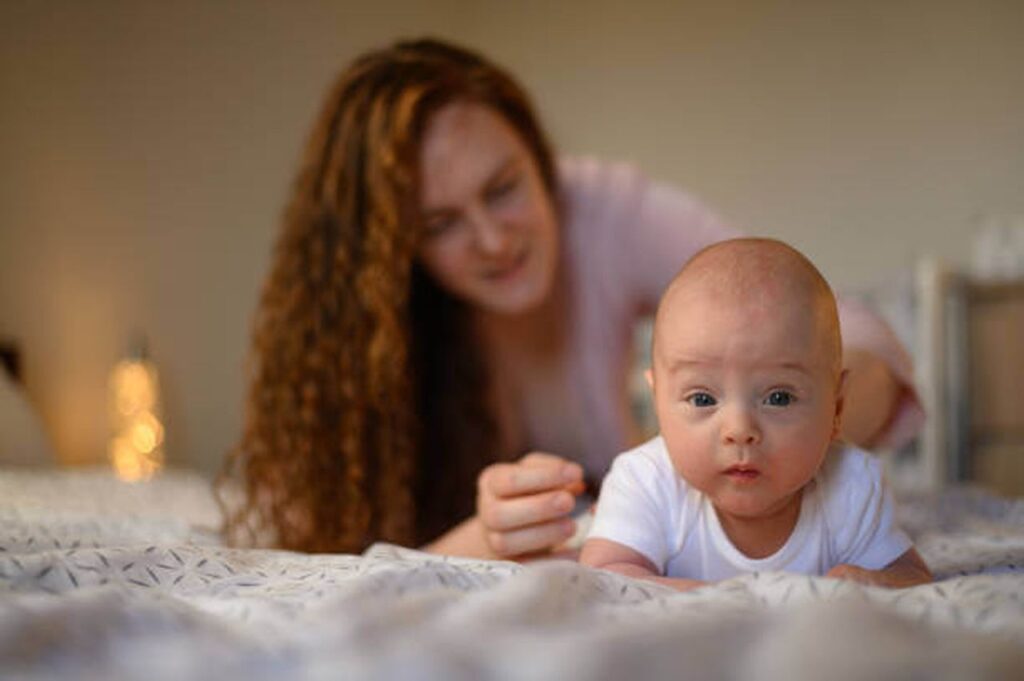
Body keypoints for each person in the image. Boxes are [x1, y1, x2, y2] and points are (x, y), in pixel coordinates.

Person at [218, 38, 924, 559]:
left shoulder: (605, 211)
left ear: (541, 158)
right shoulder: (367, 325)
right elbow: (324, 565)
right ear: (393, 251)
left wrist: (793, 425)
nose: (494, 240)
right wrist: (488, 536)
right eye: (439, 225)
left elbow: (852, 336)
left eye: (504, 189)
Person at [580, 239, 932, 589]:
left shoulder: (851, 485)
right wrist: (715, 600)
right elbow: (605, 581)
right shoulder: (645, 481)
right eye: (702, 399)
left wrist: (870, 582)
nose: (739, 430)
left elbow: (914, 579)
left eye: (778, 397)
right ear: (658, 403)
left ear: (836, 408)